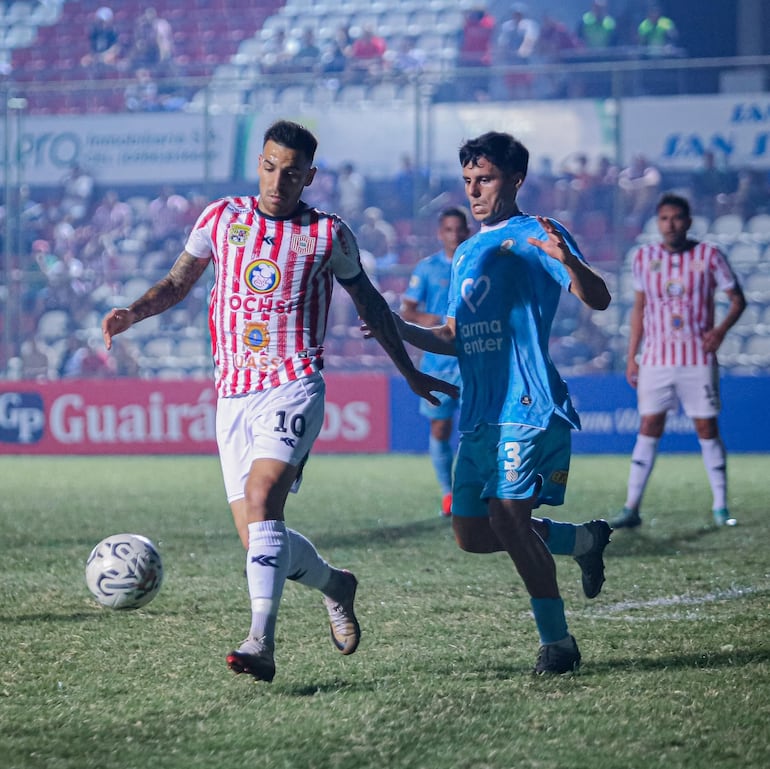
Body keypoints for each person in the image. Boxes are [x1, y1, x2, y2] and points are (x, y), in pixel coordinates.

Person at [101, 119, 458, 684]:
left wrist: (410, 373)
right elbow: (176, 283)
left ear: (308, 177)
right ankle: (336, 584)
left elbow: (370, 303)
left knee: (265, 497)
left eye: (291, 173)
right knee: (257, 538)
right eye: (270, 167)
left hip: (294, 383)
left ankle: (259, 641)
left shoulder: (328, 234)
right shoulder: (221, 219)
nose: (277, 181)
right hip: (232, 395)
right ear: (260, 164)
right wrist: (131, 313)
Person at [380, 131, 613, 674]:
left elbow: (598, 298)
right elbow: (457, 336)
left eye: (483, 178)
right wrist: (399, 326)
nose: (474, 190)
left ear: (515, 179)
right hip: (480, 413)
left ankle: (557, 644)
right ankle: (583, 539)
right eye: (467, 181)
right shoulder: (464, 253)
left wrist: (570, 263)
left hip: (527, 404)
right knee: (473, 534)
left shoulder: (539, 234)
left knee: (509, 519)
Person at [611, 193, 746, 530]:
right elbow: (639, 309)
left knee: (706, 428)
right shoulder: (644, 257)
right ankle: (631, 507)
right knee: (648, 426)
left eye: (676, 218)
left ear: (688, 221)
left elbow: (737, 300)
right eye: (664, 219)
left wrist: (720, 332)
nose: (670, 225)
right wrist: (632, 357)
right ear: (658, 223)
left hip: (697, 358)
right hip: (656, 358)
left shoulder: (709, 254)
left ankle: (720, 506)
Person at [400, 207, 470, 517]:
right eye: (449, 229)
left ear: (467, 231)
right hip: (438, 362)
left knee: (478, 428)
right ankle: (448, 494)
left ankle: (476, 491)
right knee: (441, 428)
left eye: (459, 229)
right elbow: (408, 311)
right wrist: (427, 318)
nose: (454, 235)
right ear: (440, 233)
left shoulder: (477, 263)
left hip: (474, 359)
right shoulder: (427, 269)